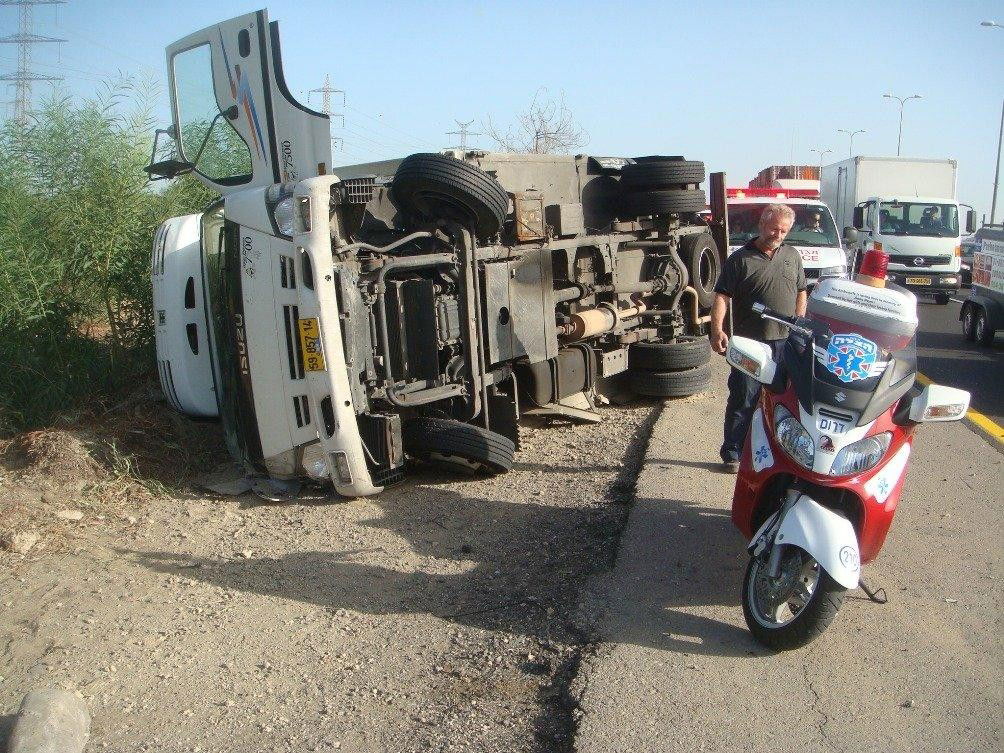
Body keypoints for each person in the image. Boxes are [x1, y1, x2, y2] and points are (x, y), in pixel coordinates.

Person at [709, 203, 807, 473]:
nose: (778, 235)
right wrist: (717, 330)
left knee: (785, 401)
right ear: (762, 225)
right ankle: (733, 452)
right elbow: (722, 297)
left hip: (785, 342)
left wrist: (798, 322)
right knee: (744, 398)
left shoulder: (792, 256)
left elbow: (801, 290)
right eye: (774, 228)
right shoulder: (740, 259)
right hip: (750, 345)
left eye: (784, 231)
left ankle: (781, 455)